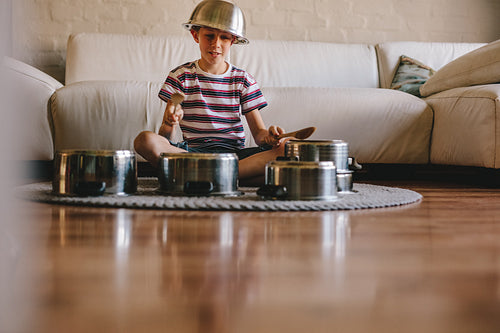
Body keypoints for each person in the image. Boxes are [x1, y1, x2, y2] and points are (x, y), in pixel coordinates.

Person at [134, 0, 287, 183]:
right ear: (195, 35)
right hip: (193, 154)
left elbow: (259, 135)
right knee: (144, 140)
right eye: (209, 35)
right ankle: (231, 177)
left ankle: (203, 176)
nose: (216, 44)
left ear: (233, 40)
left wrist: (270, 137)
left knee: (288, 147)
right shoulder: (180, 76)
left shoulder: (243, 80)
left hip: (235, 156)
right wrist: (169, 122)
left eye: (224, 37)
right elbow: (165, 139)